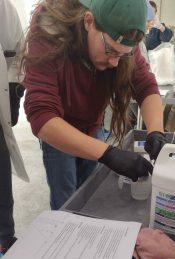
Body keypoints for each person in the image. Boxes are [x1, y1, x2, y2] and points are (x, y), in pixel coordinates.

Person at [22, 0, 167, 210]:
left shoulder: (122, 37)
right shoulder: (48, 30)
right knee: (66, 199)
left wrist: (156, 131)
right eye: (110, 51)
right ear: (89, 21)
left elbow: (145, 85)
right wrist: (108, 153)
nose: (115, 63)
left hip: (92, 124)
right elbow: (41, 114)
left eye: (122, 54)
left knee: (90, 194)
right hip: (58, 126)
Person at [0, 0, 29, 257]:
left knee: (1, 176)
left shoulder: (6, 11)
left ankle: (4, 239)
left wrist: (14, 90)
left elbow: (19, 56)